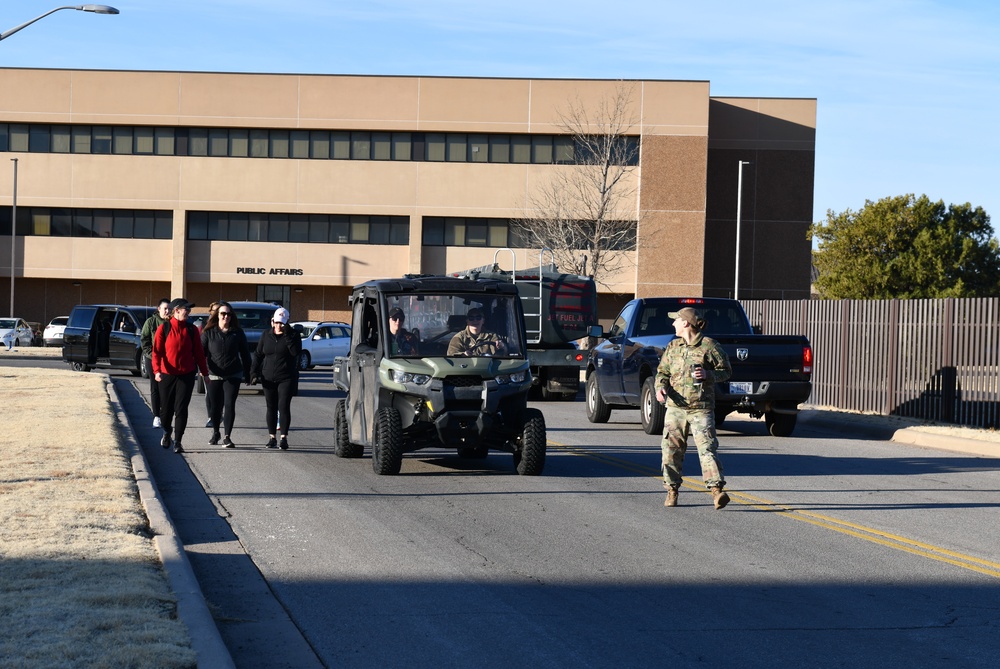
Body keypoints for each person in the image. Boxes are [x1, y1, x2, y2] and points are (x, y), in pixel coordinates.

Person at [654, 306, 733, 510]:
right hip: (675, 408)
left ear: (686, 323)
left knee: (707, 449)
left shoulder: (709, 346)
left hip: (701, 408)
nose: (673, 323)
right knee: (670, 450)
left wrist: (709, 375)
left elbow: (726, 371)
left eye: (676, 320)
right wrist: (660, 388)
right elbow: (662, 372)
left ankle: (717, 492)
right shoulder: (673, 346)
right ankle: (672, 491)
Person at [152, 298, 210, 454]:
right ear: (176, 310)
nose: (189, 312)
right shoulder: (164, 328)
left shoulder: (191, 330)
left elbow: (199, 353)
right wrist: (157, 371)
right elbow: (156, 352)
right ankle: (166, 432)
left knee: (181, 408)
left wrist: (205, 374)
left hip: (186, 375)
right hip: (167, 375)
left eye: (189, 309)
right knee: (166, 411)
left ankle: (178, 441)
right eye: (186, 309)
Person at [201, 301, 252, 448]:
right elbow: (201, 354)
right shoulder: (208, 333)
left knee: (229, 405)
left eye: (229, 314)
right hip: (214, 374)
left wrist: (248, 373)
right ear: (217, 316)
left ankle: (227, 436)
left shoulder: (237, 333)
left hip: (233, 374)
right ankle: (216, 432)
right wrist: (202, 371)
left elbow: (245, 354)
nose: (226, 317)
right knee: (215, 407)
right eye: (223, 314)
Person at [250, 307, 301, 450]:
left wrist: (287, 336)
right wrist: (253, 372)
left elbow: (295, 352)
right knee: (271, 407)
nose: (279, 326)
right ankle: (272, 437)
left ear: (287, 323)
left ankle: (283, 438)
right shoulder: (266, 335)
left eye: (282, 323)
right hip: (268, 376)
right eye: (277, 322)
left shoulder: (294, 335)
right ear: (273, 321)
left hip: (286, 377)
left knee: (283, 406)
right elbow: (259, 354)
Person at [140, 298, 171, 428]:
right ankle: (156, 416)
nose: (167, 311)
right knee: (155, 387)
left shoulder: (172, 323)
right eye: (165, 308)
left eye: (169, 308)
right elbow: (144, 340)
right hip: (152, 359)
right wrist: (152, 355)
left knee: (167, 389)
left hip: (168, 361)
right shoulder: (151, 322)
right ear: (159, 309)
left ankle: (166, 414)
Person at [202, 301, 221, 428]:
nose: (216, 313)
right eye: (214, 310)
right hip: (208, 365)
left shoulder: (226, 325)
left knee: (221, 396)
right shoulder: (206, 327)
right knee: (209, 393)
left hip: (223, 365)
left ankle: (218, 414)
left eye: (218, 310)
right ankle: (211, 417)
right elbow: (201, 348)